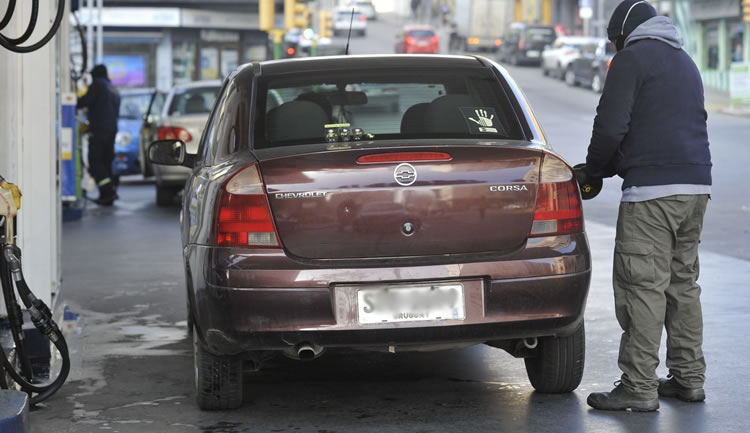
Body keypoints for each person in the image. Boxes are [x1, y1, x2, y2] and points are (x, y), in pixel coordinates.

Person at [578, 0, 712, 411]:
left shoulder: (632, 60)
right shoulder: (683, 61)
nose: (615, 48)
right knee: (681, 285)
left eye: (614, 41)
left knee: (642, 287)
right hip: (695, 188)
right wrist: (617, 165)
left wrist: (595, 170)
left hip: (652, 196)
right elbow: (658, 127)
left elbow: (612, 125)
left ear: (624, 33)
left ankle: (638, 385)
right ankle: (688, 378)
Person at [77, 64, 120, 206]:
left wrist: (73, 100)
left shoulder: (98, 85)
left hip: (99, 129)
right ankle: (108, 193)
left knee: (95, 161)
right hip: (112, 130)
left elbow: (85, 101)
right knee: (106, 161)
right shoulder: (112, 88)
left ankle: (107, 192)